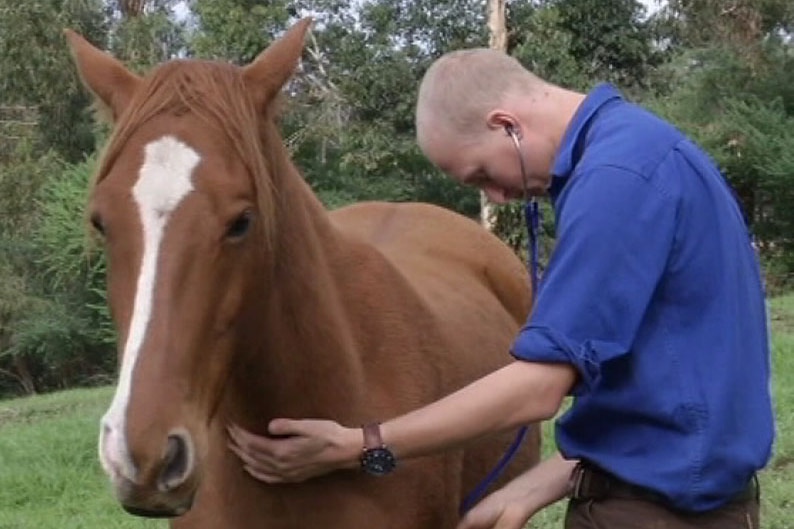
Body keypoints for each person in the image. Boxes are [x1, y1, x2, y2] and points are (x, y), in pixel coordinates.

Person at [227, 48, 774, 529]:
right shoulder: (648, 151)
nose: (501, 197)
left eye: (482, 175)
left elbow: (538, 388)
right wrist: (544, 481)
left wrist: (359, 443)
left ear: (506, 124)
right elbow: (671, 383)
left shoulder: (617, 182)